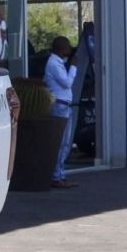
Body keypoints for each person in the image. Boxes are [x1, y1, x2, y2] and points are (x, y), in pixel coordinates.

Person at [44, 35, 78, 189]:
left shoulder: (58, 62)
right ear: (61, 48)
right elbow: (67, 83)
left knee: (65, 143)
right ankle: (56, 176)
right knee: (61, 142)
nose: (70, 49)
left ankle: (60, 174)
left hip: (64, 106)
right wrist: (74, 67)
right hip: (60, 106)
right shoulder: (54, 63)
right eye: (68, 46)